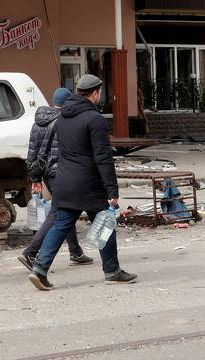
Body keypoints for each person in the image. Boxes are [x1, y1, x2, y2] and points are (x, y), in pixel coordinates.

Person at [27, 75, 137, 291]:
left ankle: (39, 269)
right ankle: (112, 270)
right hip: (88, 183)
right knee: (105, 222)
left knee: (61, 225)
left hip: (64, 180)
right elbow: (102, 158)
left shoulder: (62, 118)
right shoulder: (94, 119)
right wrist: (112, 190)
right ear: (95, 93)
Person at [18, 88, 93, 270]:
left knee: (67, 210)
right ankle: (30, 252)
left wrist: (34, 177)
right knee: (58, 213)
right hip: (62, 172)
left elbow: (32, 153)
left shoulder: (38, 122)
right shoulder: (65, 121)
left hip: (45, 173)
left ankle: (75, 251)